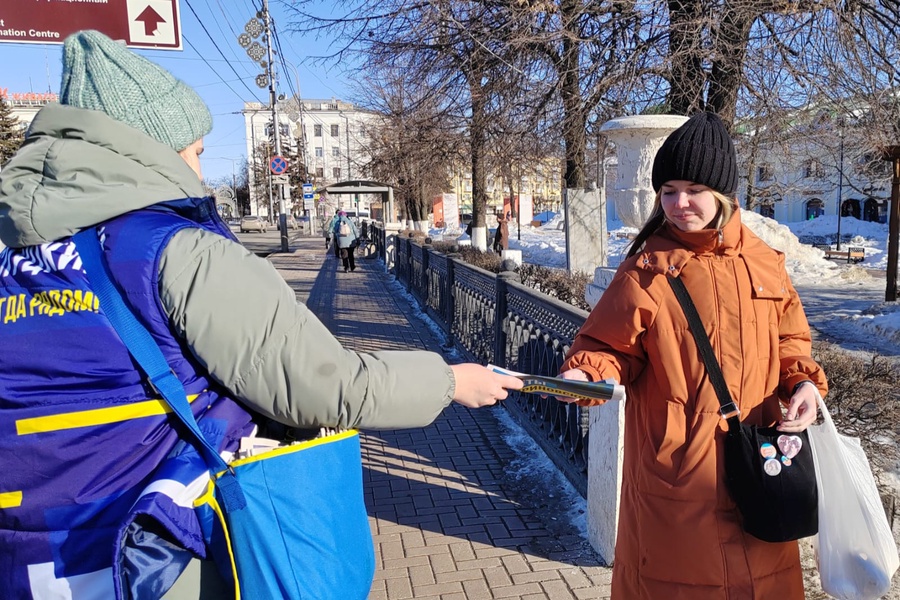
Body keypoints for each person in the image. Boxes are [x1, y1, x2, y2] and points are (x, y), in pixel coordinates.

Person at [0, 30, 523, 599]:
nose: (199, 172)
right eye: (197, 152)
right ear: (152, 146)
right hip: (148, 551)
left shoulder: (17, 258)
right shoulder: (176, 251)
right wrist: (449, 380)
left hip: (30, 555)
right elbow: (324, 384)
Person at [556, 112, 827, 599]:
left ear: (723, 192)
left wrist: (802, 383)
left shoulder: (764, 261)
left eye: (694, 189)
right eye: (668, 191)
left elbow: (791, 341)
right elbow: (606, 347)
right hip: (677, 477)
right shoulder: (647, 270)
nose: (679, 203)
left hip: (759, 463)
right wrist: (587, 373)